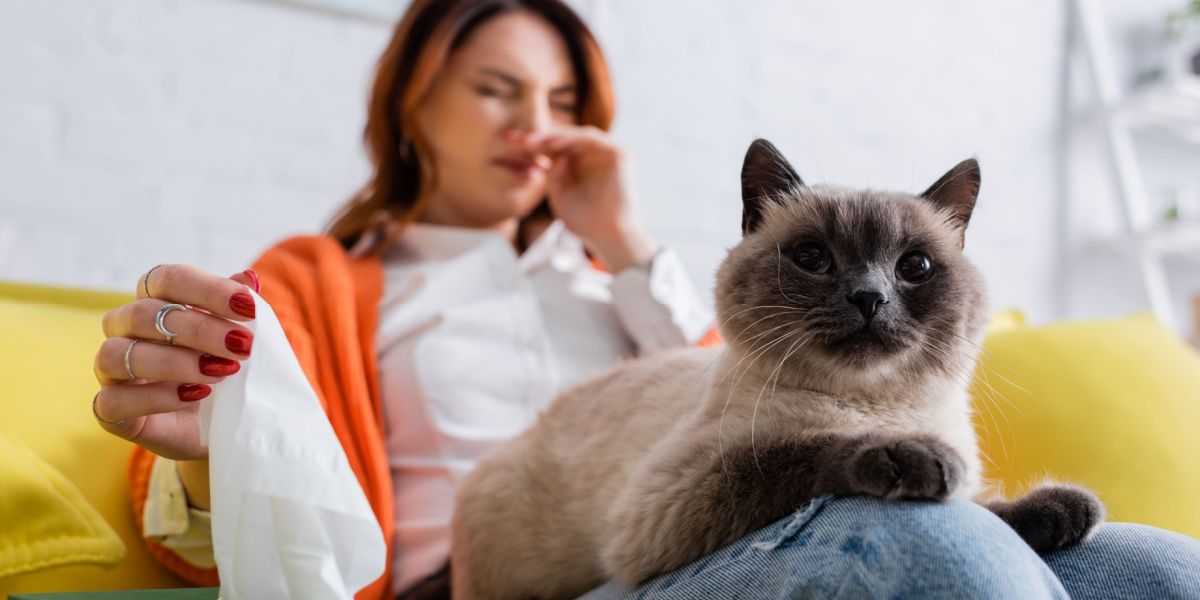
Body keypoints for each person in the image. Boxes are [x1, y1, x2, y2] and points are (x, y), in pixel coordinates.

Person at [91, 0, 1200, 598]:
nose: (532, 118)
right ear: (412, 100)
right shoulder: (317, 281)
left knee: (1160, 568)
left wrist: (621, 246)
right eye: (495, 88)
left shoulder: (653, 282)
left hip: (765, 509)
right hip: (558, 570)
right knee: (942, 561)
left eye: (563, 96)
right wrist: (220, 442)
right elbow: (244, 508)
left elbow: (768, 389)